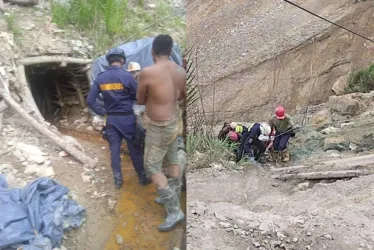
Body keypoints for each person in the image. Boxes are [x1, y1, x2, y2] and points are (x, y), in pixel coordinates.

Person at [137, 34, 186, 232]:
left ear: (152, 52)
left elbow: (140, 100)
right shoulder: (180, 71)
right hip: (175, 121)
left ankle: (174, 210)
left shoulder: (147, 72)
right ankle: (171, 194)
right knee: (173, 160)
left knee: (151, 167)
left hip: (159, 127)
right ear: (170, 50)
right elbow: (182, 96)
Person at [86, 48, 150, 189]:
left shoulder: (101, 78)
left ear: (109, 61)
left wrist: (102, 112)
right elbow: (139, 98)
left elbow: (90, 100)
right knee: (134, 149)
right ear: (122, 60)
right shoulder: (127, 77)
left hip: (112, 121)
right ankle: (142, 178)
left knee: (114, 151)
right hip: (127, 120)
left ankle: (118, 181)